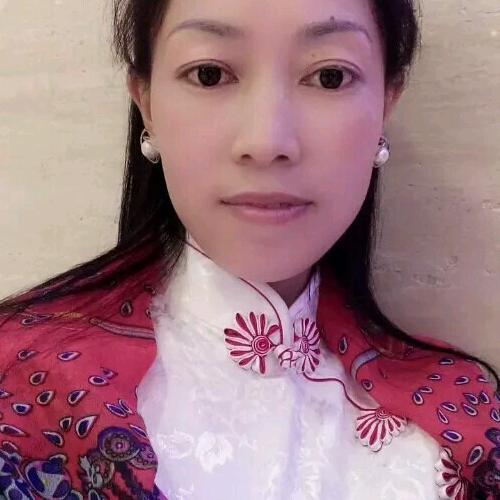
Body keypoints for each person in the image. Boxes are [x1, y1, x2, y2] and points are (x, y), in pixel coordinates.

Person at [0, 0, 498, 498]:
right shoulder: (18, 386)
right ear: (146, 102)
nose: (265, 141)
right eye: (210, 74)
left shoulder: (462, 428)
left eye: (329, 77)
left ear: (387, 103)